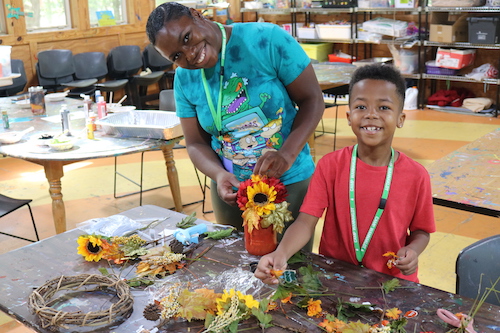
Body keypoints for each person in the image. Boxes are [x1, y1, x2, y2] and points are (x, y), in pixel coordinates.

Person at [146, 3, 325, 236]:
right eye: (177, 55)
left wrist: (286, 155)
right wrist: (219, 174)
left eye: (187, 38)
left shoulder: (266, 40)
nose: (189, 54)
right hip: (232, 192)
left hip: (288, 182)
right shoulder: (185, 78)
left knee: (289, 266)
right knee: (236, 263)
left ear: (197, 15)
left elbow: (313, 100)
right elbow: (195, 143)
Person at [254, 64, 436, 284]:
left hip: (391, 283)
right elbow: (305, 222)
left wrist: (413, 251)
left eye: (384, 108)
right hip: (336, 278)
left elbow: (421, 231)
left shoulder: (417, 176)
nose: (371, 115)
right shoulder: (331, 165)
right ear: (349, 117)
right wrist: (280, 254)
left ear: (401, 118)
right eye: (361, 106)